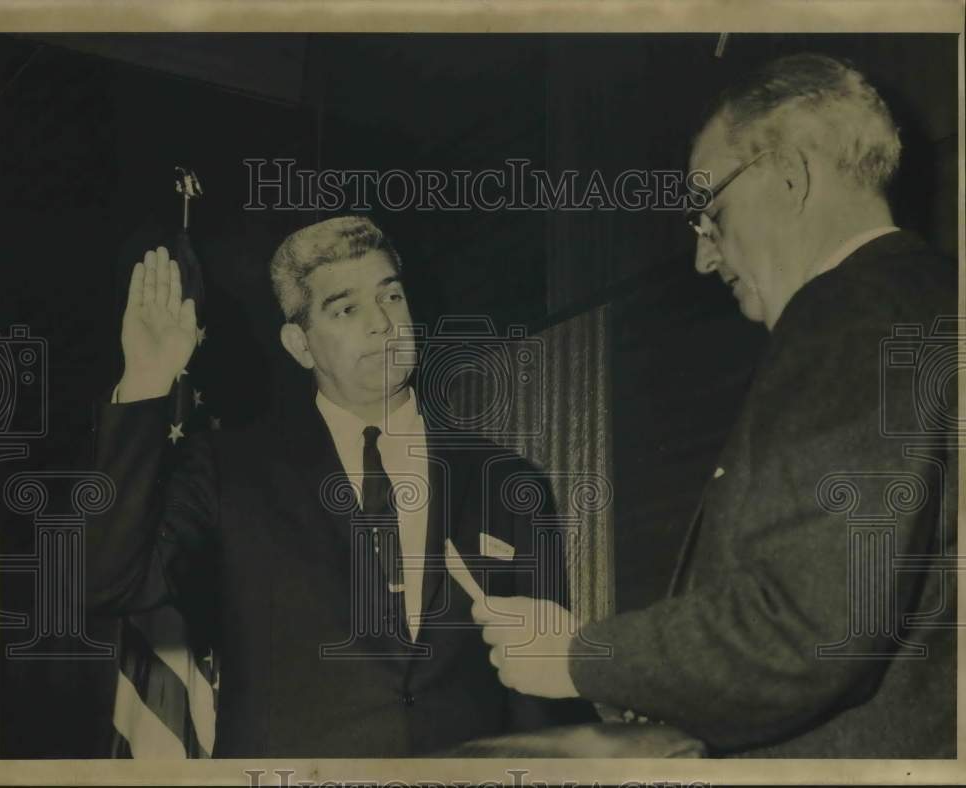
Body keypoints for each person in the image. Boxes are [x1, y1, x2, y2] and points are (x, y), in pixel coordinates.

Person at [473, 53, 957, 757]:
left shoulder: (849, 317)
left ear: (790, 178)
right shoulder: (929, 301)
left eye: (711, 214)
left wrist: (576, 655)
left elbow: (806, 633)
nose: (705, 257)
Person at [85, 216, 593, 757]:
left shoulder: (509, 484)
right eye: (346, 308)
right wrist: (145, 379)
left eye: (391, 297)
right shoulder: (225, 469)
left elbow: (540, 701)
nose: (381, 323)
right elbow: (109, 582)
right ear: (299, 344)